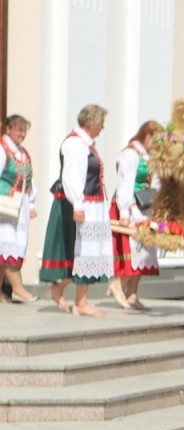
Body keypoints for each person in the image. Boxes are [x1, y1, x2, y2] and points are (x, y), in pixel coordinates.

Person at [38, 104, 111, 316]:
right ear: (93, 122)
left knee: (86, 252)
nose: (102, 128)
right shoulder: (75, 144)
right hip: (80, 205)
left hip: (91, 204)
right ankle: (81, 301)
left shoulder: (85, 144)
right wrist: (78, 205)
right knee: (81, 251)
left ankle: (62, 290)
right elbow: (71, 177)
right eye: (101, 123)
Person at [107, 120, 163, 311]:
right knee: (131, 250)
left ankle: (132, 294)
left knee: (144, 251)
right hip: (129, 206)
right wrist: (125, 210)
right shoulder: (130, 154)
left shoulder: (147, 156)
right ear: (147, 136)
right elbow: (125, 183)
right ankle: (117, 284)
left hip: (144, 206)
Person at [0, 114, 39, 303]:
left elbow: (29, 180)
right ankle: (17, 288)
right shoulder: (2, 149)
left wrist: (31, 203)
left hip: (20, 203)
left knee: (10, 244)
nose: (22, 134)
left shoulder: (22, 152)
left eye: (24, 130)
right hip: (5, 204)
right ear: (8, 129)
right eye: (18, 129)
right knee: (7, 243)